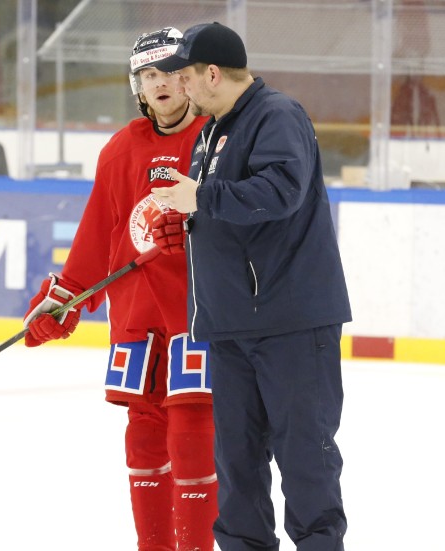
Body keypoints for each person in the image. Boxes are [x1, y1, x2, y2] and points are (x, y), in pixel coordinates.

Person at [150, 22, 353, 551]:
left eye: (186, 78)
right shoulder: (214, 131)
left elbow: (280, 190)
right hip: (231, 324)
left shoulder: (277, 115)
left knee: (305, 455)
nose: (181, 89)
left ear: (212, 73)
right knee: (237, 464)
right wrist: (185, 224)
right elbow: (216, 204)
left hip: (289, 322)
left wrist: (203, 201)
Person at [22, 27, 218, 551]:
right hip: (136, 316)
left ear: (192, 77)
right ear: (138, 86)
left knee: (194, 435)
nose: (161, 83)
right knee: (144, 438)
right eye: (150, 75)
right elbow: (94, 235)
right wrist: (65, 297)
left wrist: (202, 227)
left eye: (172, 72)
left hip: (199, 316)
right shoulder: (121, 149)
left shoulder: (219, 138)